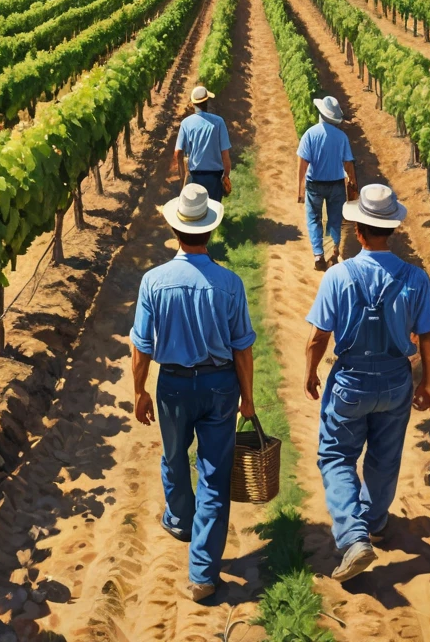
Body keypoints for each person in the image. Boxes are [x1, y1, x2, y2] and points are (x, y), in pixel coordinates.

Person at [304, 183, 430, 582]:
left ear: (359, 231)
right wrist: (427, 383)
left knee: (335, 456)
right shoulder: (416, 279)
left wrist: (310, 371)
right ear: (392, 230)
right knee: (384, 457)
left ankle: (352, 536)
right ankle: (376, 522)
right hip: (397, 379)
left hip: (350, 380)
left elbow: (318, 337)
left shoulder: (339, 275)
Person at [130, 183, 256, 602]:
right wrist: (248, 396)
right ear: (210, 231)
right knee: (215, 476)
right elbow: (243, 347)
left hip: (173, 386)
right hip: (221, 386)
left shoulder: (153, 281)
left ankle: (181, 519)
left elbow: (141, 347)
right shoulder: (230, 283)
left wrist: (139, 392)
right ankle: (203, 572)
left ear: (175, 229)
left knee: (173, 456)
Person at [297, 96, 358, 271]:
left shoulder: (310, 134)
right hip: (336, 184)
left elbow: (302, 163)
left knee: (314, 219)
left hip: (314, 185)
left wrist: (300, 189)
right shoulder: (342, 137)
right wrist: (353, 183)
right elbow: (348, 163)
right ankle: (334, 252)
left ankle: (318, 255)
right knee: (334, 220)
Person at [176, 85, 231, 203]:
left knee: (197, 212)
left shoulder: (186, 123)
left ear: (193, 104)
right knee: (214, 212)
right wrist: (226, 176)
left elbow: (178, 153)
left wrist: (182, 175)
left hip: (195, 177)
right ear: (207, 102)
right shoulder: (219, 122)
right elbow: (225, 155)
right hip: (215, 179)